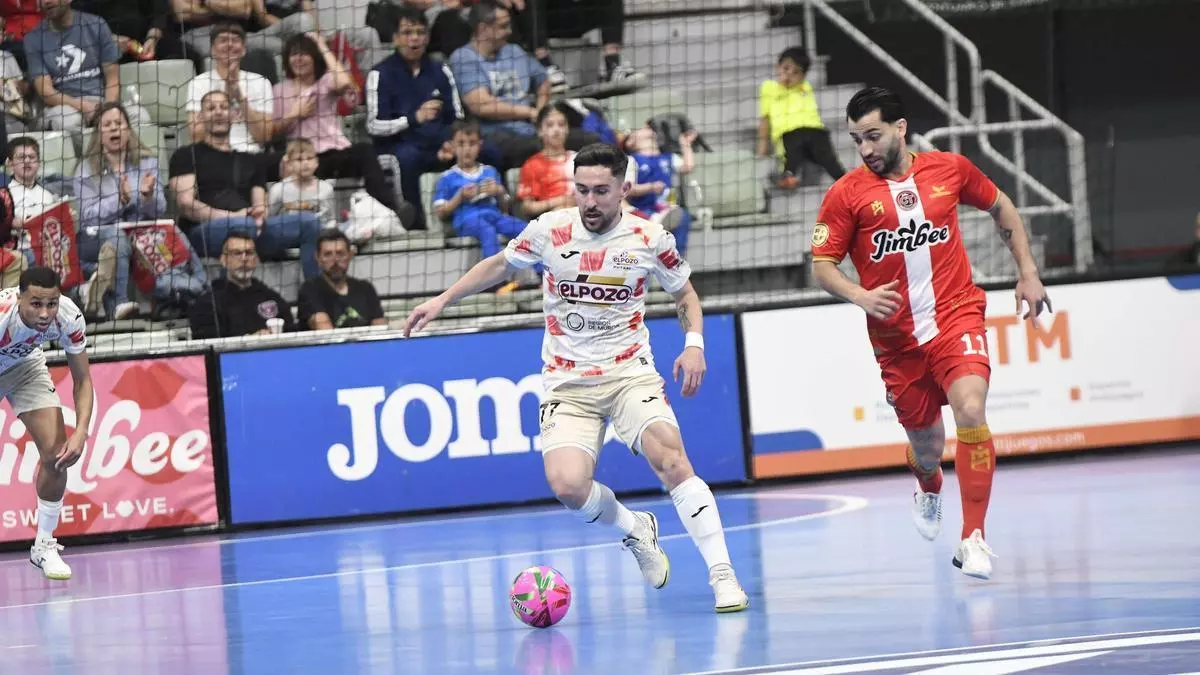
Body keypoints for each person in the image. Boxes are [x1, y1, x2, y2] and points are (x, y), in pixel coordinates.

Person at [404, 143, 750, 613]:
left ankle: (723, 575)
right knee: (568, 486)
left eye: (601, 191)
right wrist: (442, 300)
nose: (589, 201)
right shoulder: (550, 230)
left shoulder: (650, 238)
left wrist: (694, 345)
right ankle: (634, 528)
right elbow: (501, 264)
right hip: (567, 383)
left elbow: (685, 294)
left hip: (628, 373)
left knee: (670, 457)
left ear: (624, 189)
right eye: (582, 190)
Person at [809, 87, 1052, 580]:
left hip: (957, 315)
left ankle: (973, 538)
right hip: (897, 342)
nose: (865, 149)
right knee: (927, 445)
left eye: (873, 136)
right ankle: (928, 483)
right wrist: (859, 295)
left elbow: (1002, 208)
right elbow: (823, 265)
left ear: (900, 129)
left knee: (971, 409)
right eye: (856, 140)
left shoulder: (950, 169)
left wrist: (1028, 272)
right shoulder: (846, 194)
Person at [0, 267, 95, 581]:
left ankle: (43, 545)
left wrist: (81, 432)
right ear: (19, 298)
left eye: (51, 303)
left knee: (56, 454)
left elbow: (82, 380)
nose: (44, 313)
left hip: (24, 367)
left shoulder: (68, 316)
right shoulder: (3, 316)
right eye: (36, 304)